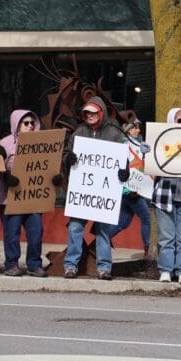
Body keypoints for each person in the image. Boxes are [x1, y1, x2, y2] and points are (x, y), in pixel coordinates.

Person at [62, 97, 124, 280]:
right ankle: (70, 266)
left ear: (101, 113)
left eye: (93, 112)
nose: (89, 115)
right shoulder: (79, 133)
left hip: (103, 194)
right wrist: (68, 159)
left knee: (103, 231)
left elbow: (123, 159)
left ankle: (104, 268)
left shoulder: (114, 133)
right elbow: (67, 153)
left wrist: (124, 172)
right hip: (82, 192)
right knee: (75, 228)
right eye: (87, 112)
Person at [0, 108, 48, 278]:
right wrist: (6, 176)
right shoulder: (5, 143)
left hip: (33, 197)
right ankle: (11, 264)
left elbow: (46, 167)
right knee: (12, 234)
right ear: (16, 125)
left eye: (32, 123)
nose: (30, 126)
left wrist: (54, 177)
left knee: (36, 232)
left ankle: (34, 265)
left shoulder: (41, 143)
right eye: (25, 123)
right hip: (10, 198)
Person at [152, 107, 181, 285]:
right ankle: (166, 270)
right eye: (180, 121)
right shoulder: (162, 141)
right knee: (166, 237)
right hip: (165, 197)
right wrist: (146, 150)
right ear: (172, 122)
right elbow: (150, 163)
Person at [109, 115, 152, 260]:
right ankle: (147, 250)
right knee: (146, 217)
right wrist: (127, 189)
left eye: (138, 127)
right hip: (130, 191)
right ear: (127, 130)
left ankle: (103, 238)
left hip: (135, 190)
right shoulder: (124, 145)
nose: (138, 130)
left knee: (124, 223)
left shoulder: (140, 145)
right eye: (134, 127)